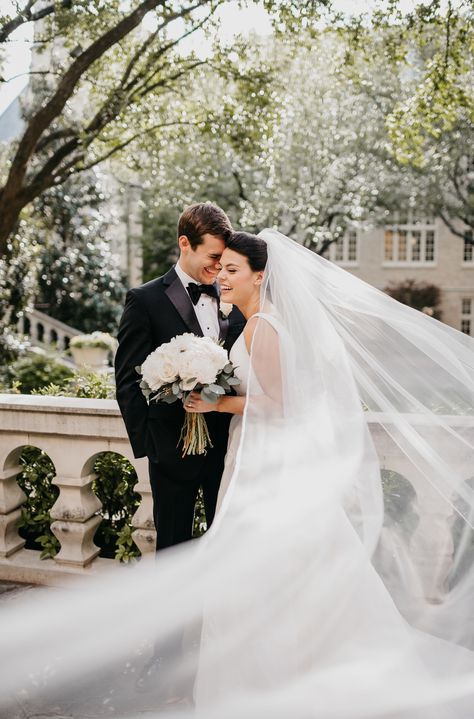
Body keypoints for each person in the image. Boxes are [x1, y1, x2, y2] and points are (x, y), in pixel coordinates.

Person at [1, 229, 474, 719]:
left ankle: (276, 674)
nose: (221, 277)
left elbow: (281, 401)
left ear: (259, 276)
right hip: (244, 454)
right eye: (219, 267)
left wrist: (215, 400)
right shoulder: (249, 321)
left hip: (265, 460)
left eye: (231, 270)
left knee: (260, 562)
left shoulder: (261, 326)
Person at [115, 202, 244, 551]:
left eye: (224, 260)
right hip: (171, 452)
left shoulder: (234, 297)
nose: (219, 268)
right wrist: (152, 447)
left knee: (227, 548)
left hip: (227, 449)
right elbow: (127, 380)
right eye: (213, 257)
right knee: (172, 550)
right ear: (185, 244)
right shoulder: (144, 300)